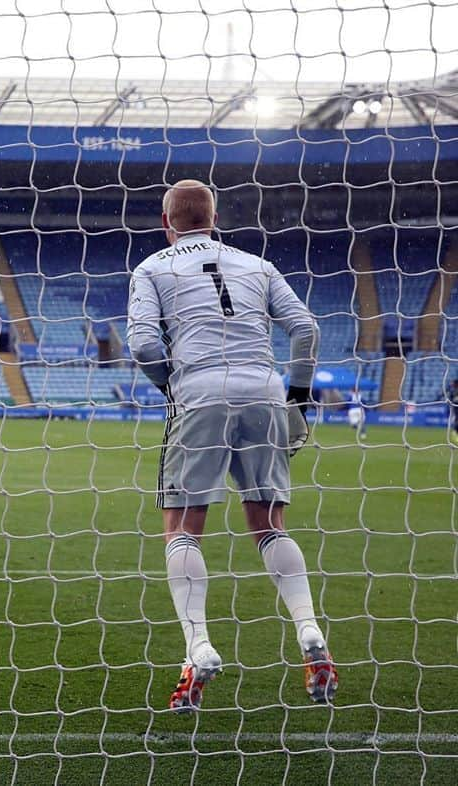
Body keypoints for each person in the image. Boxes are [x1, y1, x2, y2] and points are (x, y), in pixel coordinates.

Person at [127, 179, 336, 713]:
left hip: (200, 391)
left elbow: (145, 343)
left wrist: (172, 386)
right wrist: (296, 397)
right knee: (269, 523)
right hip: (264, 392)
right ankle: (311, 633)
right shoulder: (257, 265)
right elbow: (306, 328)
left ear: (165, 220)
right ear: (214, 218)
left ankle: (198, 648)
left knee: (181, 528)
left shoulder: (152, 268)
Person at [447, 379, 458, 444]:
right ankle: (455, 432)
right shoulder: (453, 391)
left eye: (454, 384)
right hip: (456, 408)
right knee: (457, 420)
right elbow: (450, 398)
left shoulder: (453, 391)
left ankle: (455, 431)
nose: (453, 385)